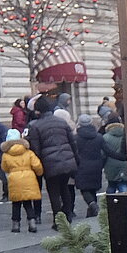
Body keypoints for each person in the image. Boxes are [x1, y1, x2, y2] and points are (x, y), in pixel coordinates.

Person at [27, 96, 78, 228]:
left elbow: (36, 149)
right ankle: (68, 215)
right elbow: (72, 142)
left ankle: (58, 220)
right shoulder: (61, 122)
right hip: (67, 160)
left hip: (50, 163)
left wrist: (38, 168)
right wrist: (76, 160)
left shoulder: (36, 126)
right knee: (65, 188)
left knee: (54, 192)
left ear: (38, 111)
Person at [1, 128, 44, 233]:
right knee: (27, 202)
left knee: (16, 203)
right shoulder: (28, 152)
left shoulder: (6, 154)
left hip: (14, 179)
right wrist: (39, 173)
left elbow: (4, 168)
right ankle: (32, 222)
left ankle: (16, 225)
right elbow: (37, 165)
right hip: (28, 177)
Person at [73, 113, 108, 217]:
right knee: (92, 188)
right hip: (96, 165)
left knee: (84, 189)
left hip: (81, 165)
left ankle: (92, 205)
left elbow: (73, 153)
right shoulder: (98, 137)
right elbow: (107, 151)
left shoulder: (76, 138)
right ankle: (92, 211)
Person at [101, 114, 127, 194]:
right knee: (123, 185)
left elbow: (103, 154)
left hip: (110, 166)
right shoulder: (126, 135)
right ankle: (126, 203)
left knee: (111, 186)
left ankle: (109, 204)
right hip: (125, 164)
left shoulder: (105, 137)